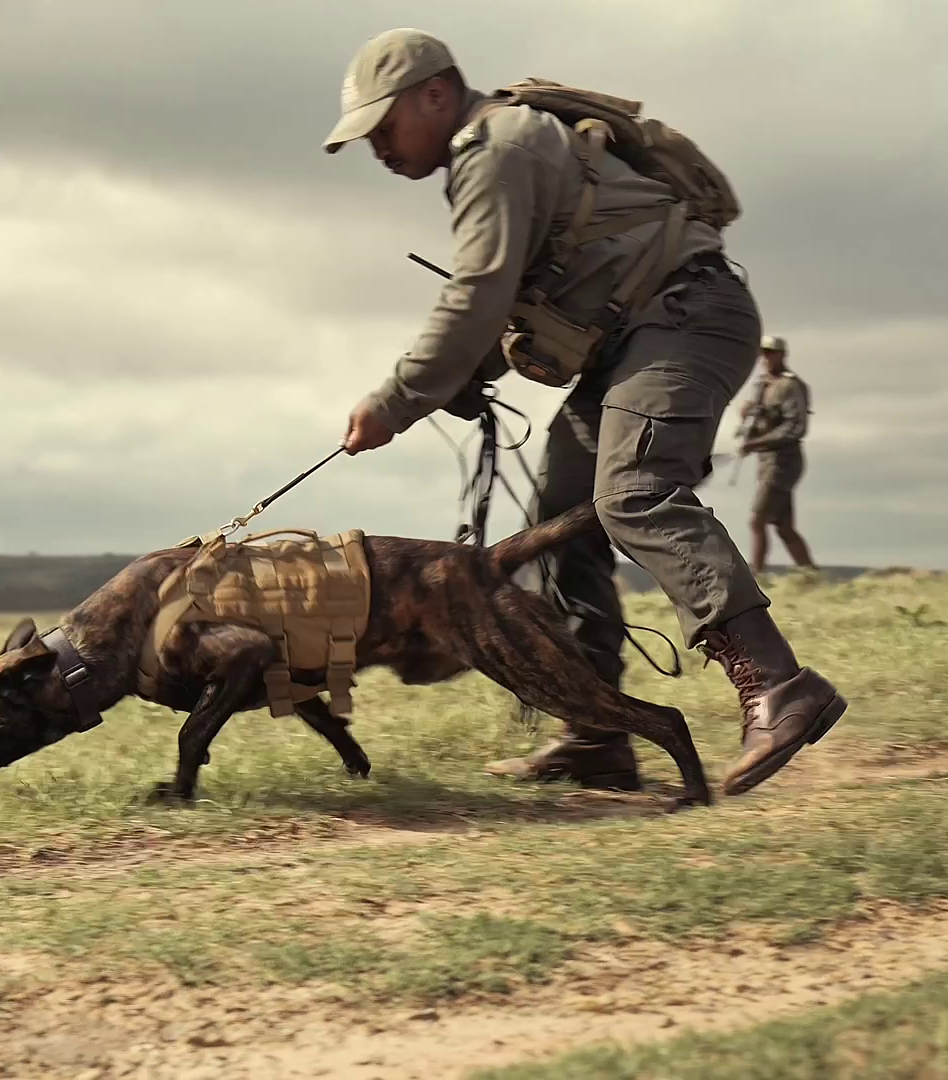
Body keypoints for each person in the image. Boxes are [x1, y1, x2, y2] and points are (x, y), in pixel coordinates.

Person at [324, 28, 846, 797]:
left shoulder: (494, 148)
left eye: (382, 124)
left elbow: (477, 293)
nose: (376, 147)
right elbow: (521, 300)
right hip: (634, 339)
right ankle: (598, 734)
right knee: (559, 517)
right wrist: (464, 378)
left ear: (435, 93)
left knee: (633, 490)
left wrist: (397, 399)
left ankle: (778, 684)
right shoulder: (497, 150)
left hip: (688, 317)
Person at [738, 335, 818, 574]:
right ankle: (810, 575)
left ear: (782, 355)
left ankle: (756, 577)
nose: (766, 358)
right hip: (766, 461)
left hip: (784, 460)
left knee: (757, 520)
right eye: (763, 353)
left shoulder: (790, 386)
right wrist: (748, 418)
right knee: (784, 527)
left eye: (771, 352)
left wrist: (758, 442)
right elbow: (762, 421)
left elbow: (796, 427)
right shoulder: (762, 385)